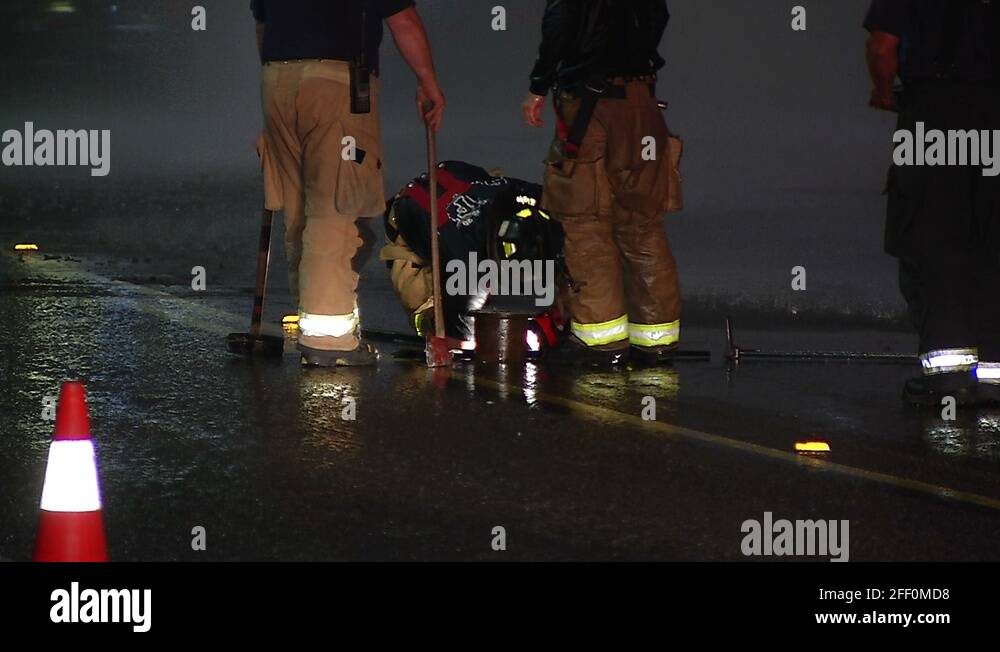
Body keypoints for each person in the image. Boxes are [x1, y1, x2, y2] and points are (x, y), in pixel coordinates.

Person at [251, 0, 445, 367]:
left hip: (277, 80)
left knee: (298, 210)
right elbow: (403, 20)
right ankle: (329, 339)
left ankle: (316, 318)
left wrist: (282, 88)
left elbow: (263, 22)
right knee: (336, 208)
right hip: (335, 85)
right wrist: (428, 81)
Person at [522, 0, 683, 367]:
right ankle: (656, 341)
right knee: (642, 225)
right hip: (643, 106)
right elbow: (658, 17)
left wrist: (538, 85)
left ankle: (602, 344)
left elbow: (559, 24)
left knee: (586, 226)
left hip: (591, 107)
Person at [865, 0, 1000, 406]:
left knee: (932, 236)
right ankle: (994, 375)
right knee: (992, 237)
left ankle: (949, 380)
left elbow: (882, 46)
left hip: (934, 114)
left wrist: (884, 94)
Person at [381, 161, 566, 353]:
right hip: (409, 213)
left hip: (462, 183)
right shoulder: (466, 268)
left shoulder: (533, 197)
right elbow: (462, 341)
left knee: (575, 256)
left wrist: (561, 301)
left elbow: (576, 227)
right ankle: (429, 321)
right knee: (427, 308)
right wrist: (486, 343)